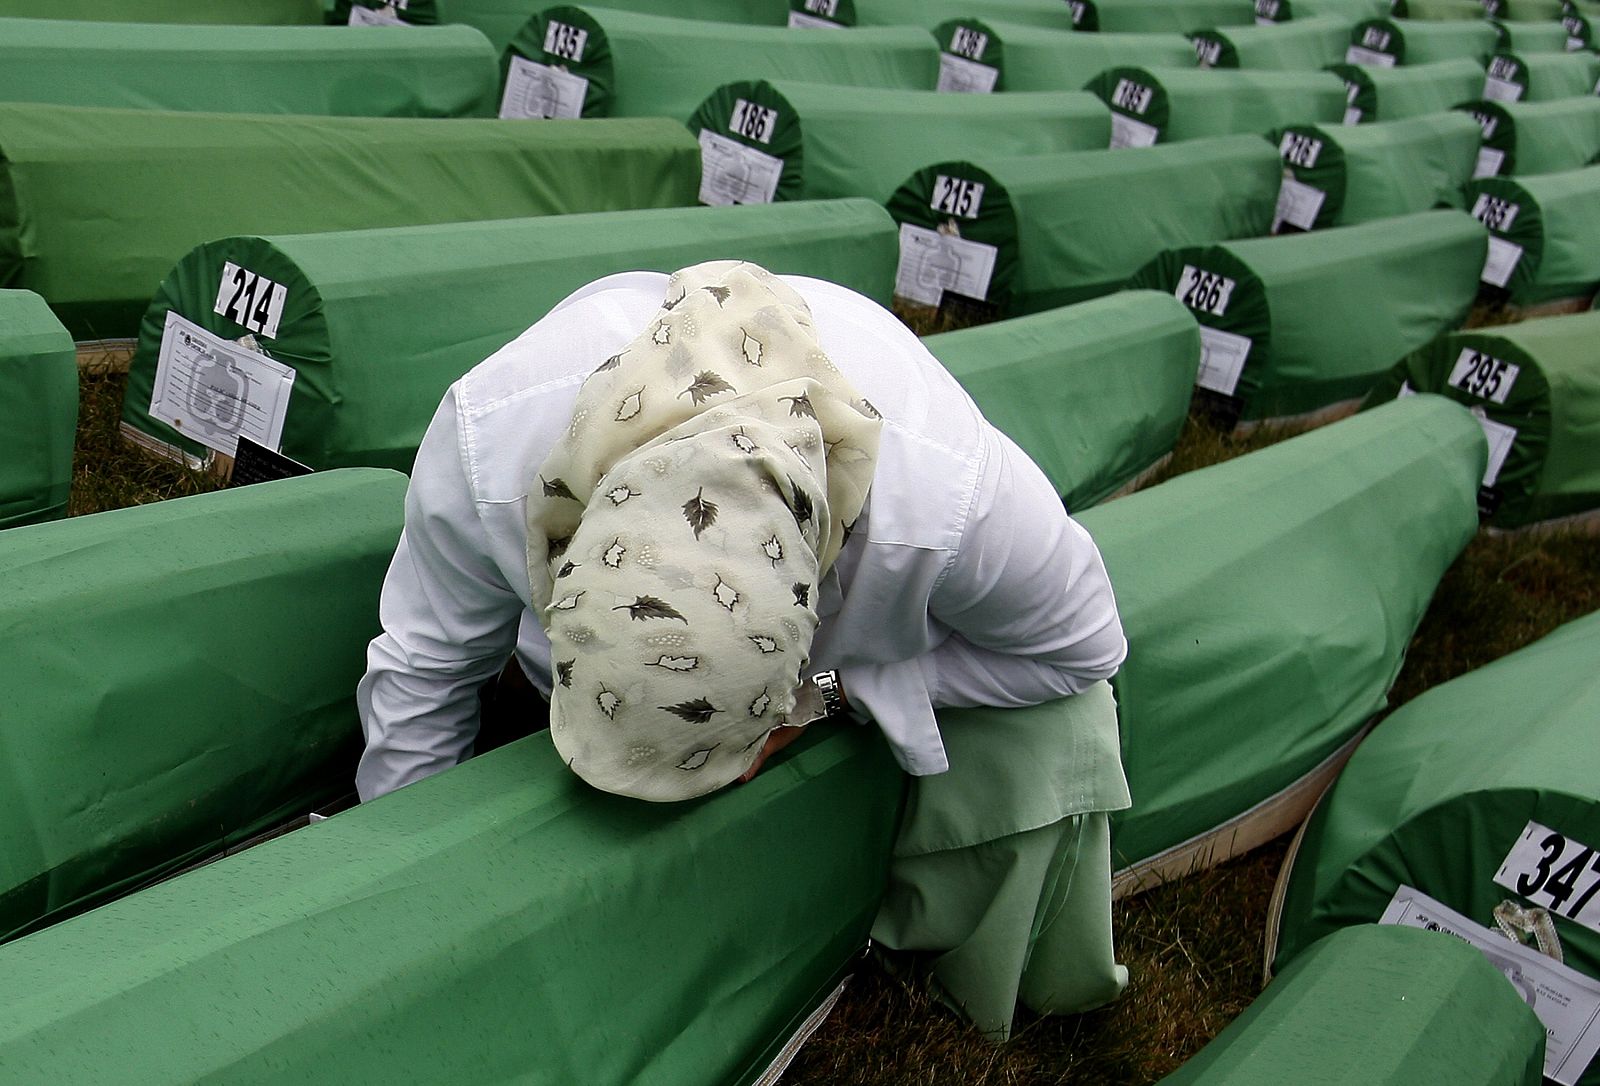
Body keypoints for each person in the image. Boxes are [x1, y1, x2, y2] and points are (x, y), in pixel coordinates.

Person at [356, 260, 1126, 805]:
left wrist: (841, 691)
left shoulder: (951, 502)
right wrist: (398, 870)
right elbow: (425, 668)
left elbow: (1087, 647)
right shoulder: (487, 442)